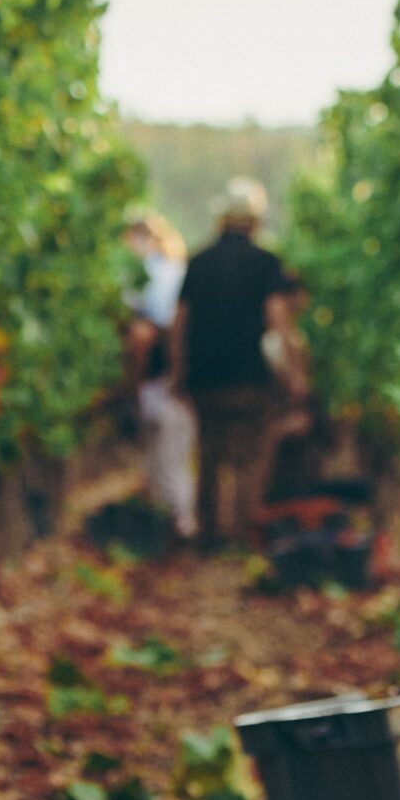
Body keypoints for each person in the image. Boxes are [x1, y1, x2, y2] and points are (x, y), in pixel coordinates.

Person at [170, 177, 293, 548]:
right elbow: (278, 321)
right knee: (249, 457)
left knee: (209, 454)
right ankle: (242, 534)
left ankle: (209, 534)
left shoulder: (198, 261)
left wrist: (179, 371)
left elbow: (179, 322)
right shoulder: (267, 263)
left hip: (205, 377)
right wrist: (290, 373)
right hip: (250, 377)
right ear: (256, 220)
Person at [124, 212, 197, 540]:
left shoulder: (148, 275)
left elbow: (147, 334)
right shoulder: (177, 270)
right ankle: (176, 519)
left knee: (164, 455)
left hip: (161, 379)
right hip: (176, 380)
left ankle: (175, 521)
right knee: (171, 453)